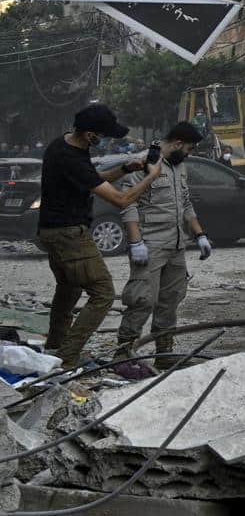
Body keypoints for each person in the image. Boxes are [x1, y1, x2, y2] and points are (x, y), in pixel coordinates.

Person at [39, 104, 161, 368]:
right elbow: (121, 199)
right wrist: (151, 177)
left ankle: (54, 348)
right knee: (103, 293)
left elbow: (94, 179)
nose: (105, 139)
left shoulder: (63, 147)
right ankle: (67, 357)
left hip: (52, 231)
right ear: (89, 134)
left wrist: (127, 168)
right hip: (69, 233)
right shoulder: (71, 158)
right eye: (103, 135)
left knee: (68, 289)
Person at [113, 123, 213, 362]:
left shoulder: (180, 167)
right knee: (142, 300)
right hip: (150, 245)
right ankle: (123, 356)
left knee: (171, 300)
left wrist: (200, 235)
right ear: (177, 144)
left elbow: (186, 203)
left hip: (176, 245)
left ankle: (165, 353)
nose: (189, 154)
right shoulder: (143, 162)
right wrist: (136, 242)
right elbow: (129, 204)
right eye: (189, 149)